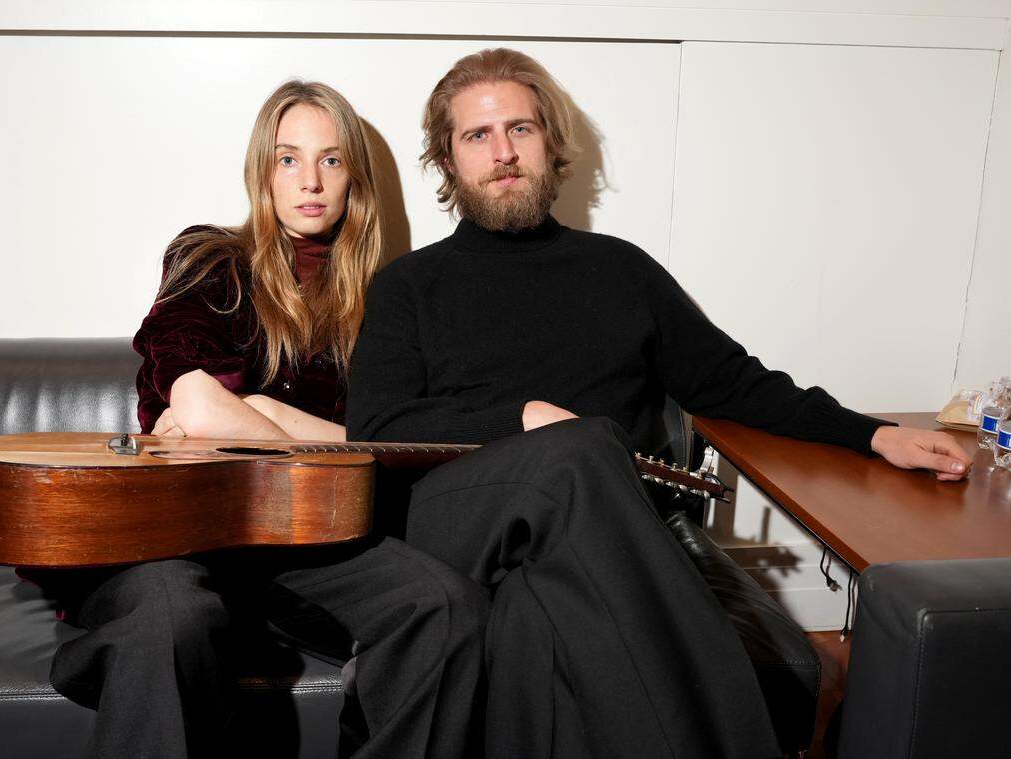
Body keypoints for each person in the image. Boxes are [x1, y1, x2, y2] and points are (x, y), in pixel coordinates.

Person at [345, 49, 973, 759]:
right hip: (467, 519)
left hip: (601, 533)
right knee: (579, 448)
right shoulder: (409, 286)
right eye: (477, 136)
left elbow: (732, 381)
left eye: (520, 129)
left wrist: (872, 433)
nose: (503, 152)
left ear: (550, 142)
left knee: (532, 622)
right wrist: (521, 420)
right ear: (448, 160)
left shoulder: (622, 269)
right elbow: (375, 427)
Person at [48, 80, 489, 759]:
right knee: (173, 618)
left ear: (355, 179)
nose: (310, 180)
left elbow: (399, 439)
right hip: (180, 529)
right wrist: (323, 448)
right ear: (263, 170)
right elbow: (194, 403)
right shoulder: (210, 257)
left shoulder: (390, 301)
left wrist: (260, 412)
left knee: (446, 605)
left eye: (332, 160)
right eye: (289, 158)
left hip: (302, 540)